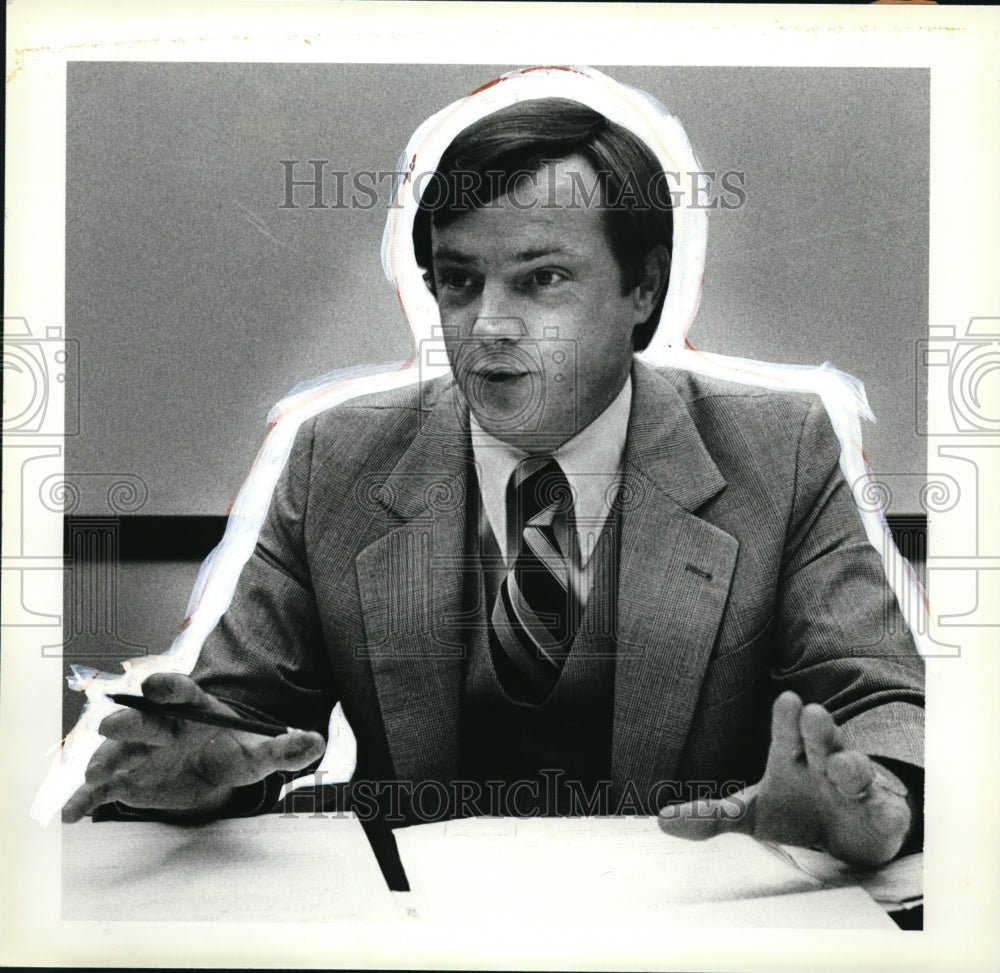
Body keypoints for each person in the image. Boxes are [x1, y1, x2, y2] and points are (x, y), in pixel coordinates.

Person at [62, 80, 924, 867]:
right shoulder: (337, 457)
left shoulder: (778, 450)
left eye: (542, 278)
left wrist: (876, 800)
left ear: (645, 289)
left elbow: (885, 701)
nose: (491, 327)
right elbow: (237, 728)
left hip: (690, 912)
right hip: (419, 927)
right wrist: (201, 773)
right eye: (462, 282)